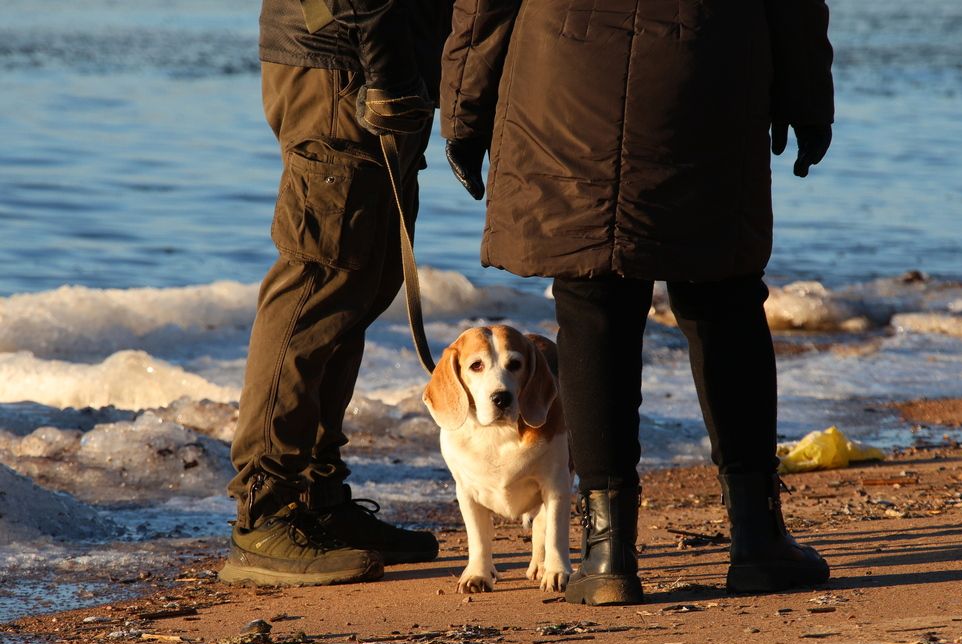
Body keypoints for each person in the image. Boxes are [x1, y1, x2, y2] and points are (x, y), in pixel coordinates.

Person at [440, 0, 835, 604]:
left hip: (565, 75)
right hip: (706, 72)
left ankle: (606, 556)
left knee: (590, 299)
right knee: (722, 299)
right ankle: (757, 540)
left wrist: (464, 109)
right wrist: (807, 96)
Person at [220, 0, 452, 586]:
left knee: (364, 280)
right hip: (344, 61)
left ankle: (316, 499)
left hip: (375, 58)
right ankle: (266, 508)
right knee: (318, 280)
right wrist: (390, 74)